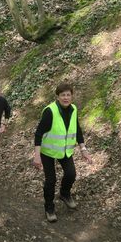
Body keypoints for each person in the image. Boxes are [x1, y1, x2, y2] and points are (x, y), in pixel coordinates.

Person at [33, 82, 92, 222]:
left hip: (65, 150)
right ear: (57, 96)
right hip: (47, 151)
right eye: (63, 95)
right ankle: (49, 207)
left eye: (68, 95)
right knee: (51, 180)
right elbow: (38, 134)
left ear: (72, 96)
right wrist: (37, 156)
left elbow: (77, 129)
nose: (66, 98)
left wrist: (83, 149)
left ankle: (64, 194)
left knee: (71, 174)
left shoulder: (74, 109)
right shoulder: (50, 111)